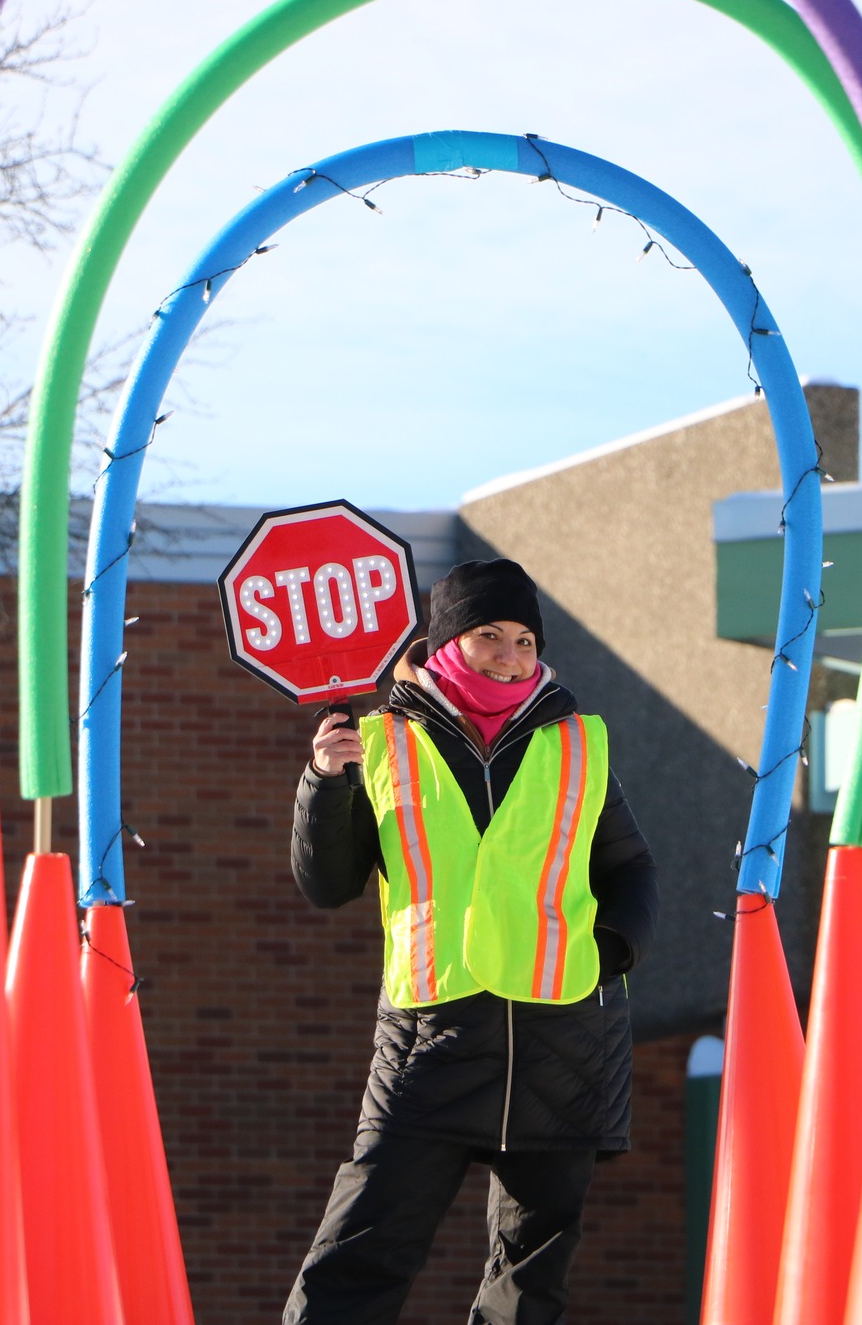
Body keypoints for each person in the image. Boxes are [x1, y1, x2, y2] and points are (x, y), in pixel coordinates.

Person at [285, 558, 659, 1325]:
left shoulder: (578, 742)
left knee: (530, 1280)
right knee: (359, 1253)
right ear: (445, 640)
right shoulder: (376, 739)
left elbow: (629, 865)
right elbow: (327, 883)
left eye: (525, 639)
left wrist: (610, 954)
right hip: (431, 1039)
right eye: (489, 634)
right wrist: (325, 782)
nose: (511, 655)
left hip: (564, 1042)